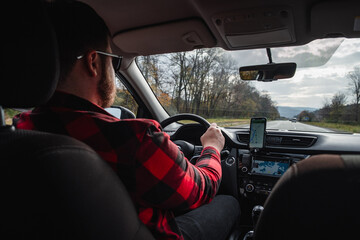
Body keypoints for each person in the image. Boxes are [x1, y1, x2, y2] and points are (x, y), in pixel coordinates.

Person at [14, 1, 240, 239]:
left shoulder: (19, 129)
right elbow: (201, 189)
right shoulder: (135, 140)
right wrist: (212, 148)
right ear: (93, 63)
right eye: (113, 60)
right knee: (229, 202)